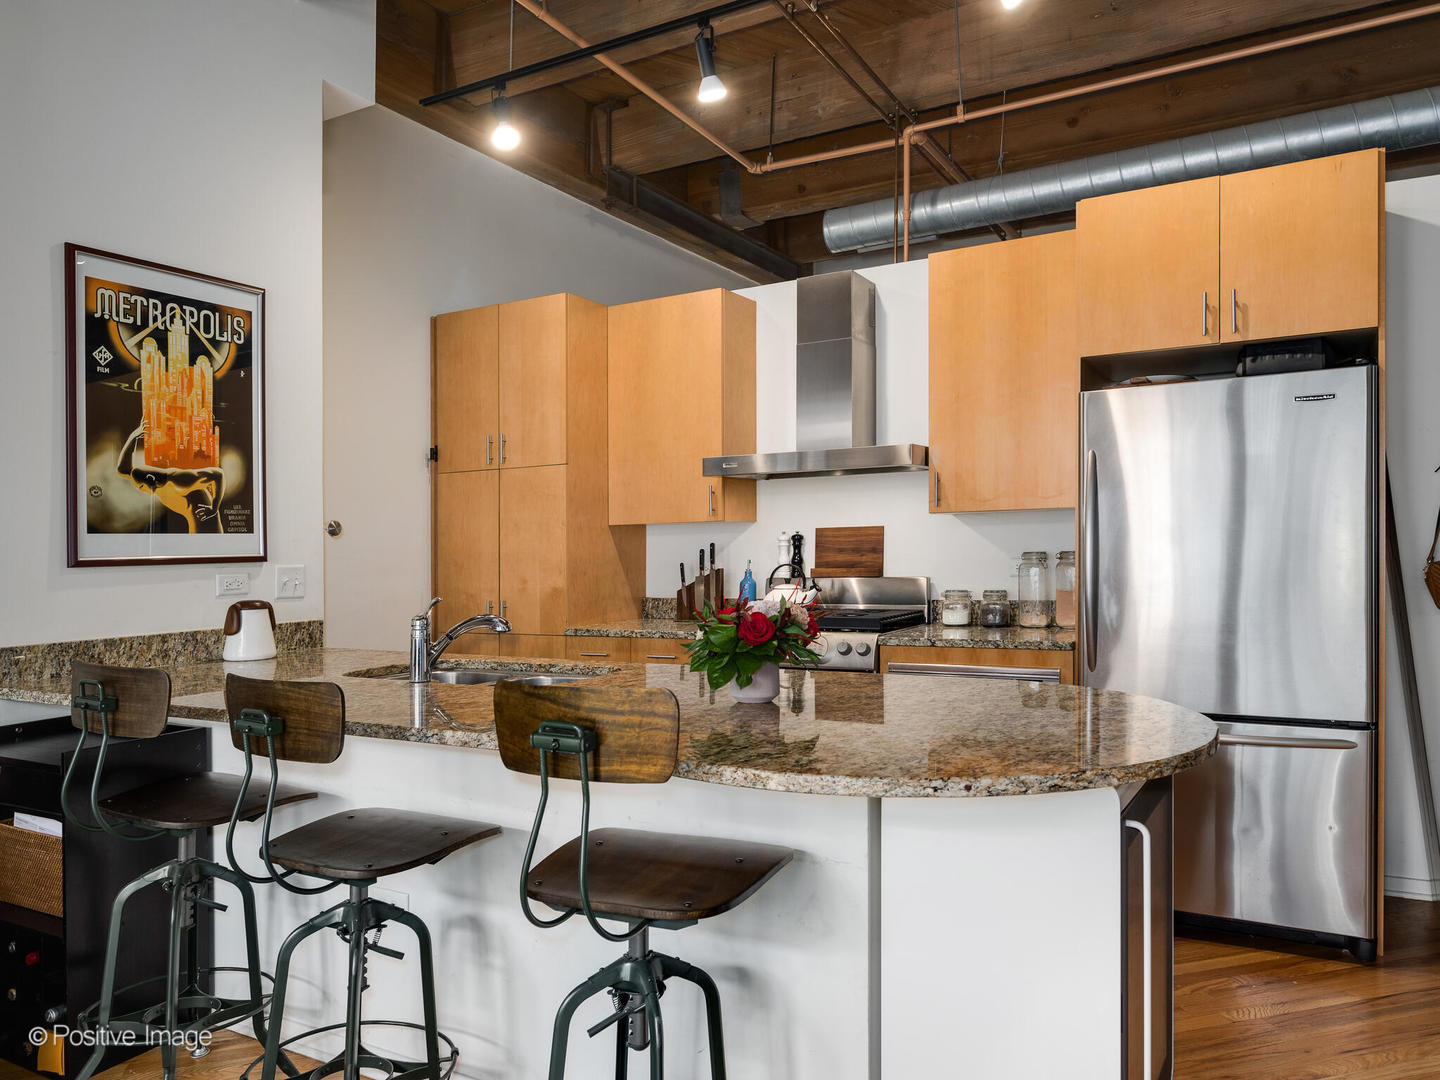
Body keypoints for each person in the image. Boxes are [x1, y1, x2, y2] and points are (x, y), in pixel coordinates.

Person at [115, 424, 225, 533]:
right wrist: (134, 435)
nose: (142, 491)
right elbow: (122, 469)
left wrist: (214, 509)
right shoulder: (154, 483)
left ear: (150, 478)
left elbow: (218, 475)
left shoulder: (178, 480)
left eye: (141, 487)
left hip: (207, 527)